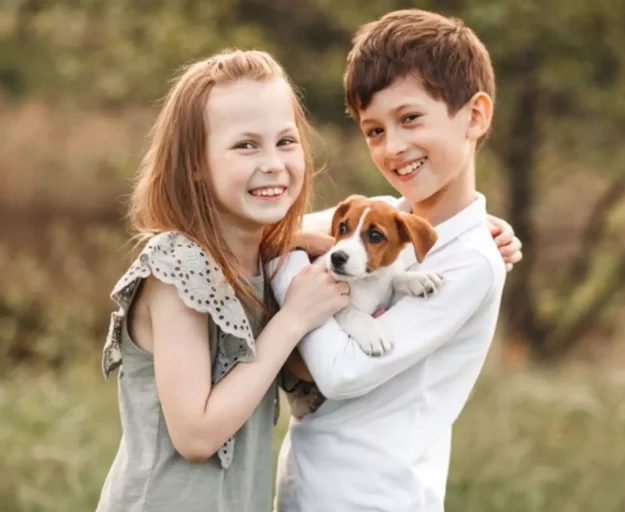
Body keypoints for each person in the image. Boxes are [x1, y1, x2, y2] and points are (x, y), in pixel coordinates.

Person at [272, 9, 521, 512]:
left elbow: (341, 372)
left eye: (409, 119)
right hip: (307, 486)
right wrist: (292, 244)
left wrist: (287, 270)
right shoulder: (378, 220)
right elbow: (266, 234)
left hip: (375, 497)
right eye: (374, 131)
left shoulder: (471, 261)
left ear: (475, 116)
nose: (394, 148)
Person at [96, 49, 351, 512]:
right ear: (194, 163)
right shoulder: (177, 268)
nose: (273, 163)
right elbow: (196, 434)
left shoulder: (263, 256)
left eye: (286, 141)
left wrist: (468, 231)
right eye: (245, 145)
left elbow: (375, 218)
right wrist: (292, 319)